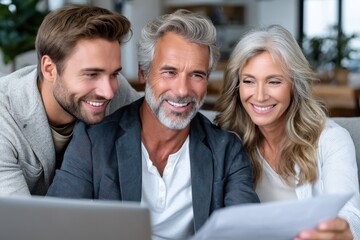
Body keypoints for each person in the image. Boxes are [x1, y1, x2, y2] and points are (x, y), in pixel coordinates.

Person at [47, 9, 260, 239]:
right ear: (143, 73)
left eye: (196, 75)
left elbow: (246, 229)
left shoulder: (226, 149)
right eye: (169, 72)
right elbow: (54, 226)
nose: (182, 90)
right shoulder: (92, 142)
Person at [214, 24, 360, 240]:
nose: (260, 95)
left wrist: (341, 232)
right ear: (237, 86)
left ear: (294, 84)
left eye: (274, 81)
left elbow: (350, 216)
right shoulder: (225, 140)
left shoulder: (331, 139)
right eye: (249, 81)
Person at [0, 5, 142, 196]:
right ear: (49, 69)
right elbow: (15, 220)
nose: (108, 92)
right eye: (91, 74)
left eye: (114, 74)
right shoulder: (5, 115)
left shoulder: (117, 91)